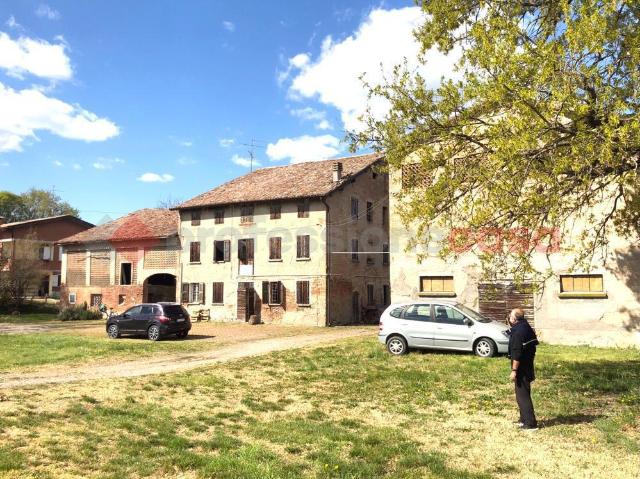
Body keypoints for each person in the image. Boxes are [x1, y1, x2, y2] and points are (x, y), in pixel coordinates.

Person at [507, 308, 539, 430]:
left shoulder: (518, 332)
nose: (509, 318)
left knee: (522, 395)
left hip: (522, 367)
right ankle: (523, 419)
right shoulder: (525, 326)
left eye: (510, 316)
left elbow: (517, 353)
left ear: (514, 319)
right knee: (523, 393)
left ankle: (530, 423)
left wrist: (514, 371)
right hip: (528, 363)